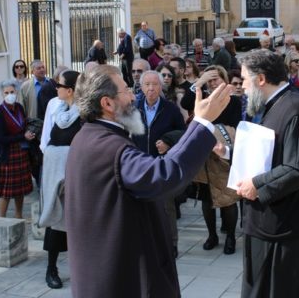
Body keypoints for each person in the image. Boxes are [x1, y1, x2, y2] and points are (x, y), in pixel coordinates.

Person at [64, 65, 232, 298]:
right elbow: (164, 176)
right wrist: (202, 123)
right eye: (126, 90)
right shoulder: (108, 146)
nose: (134, 97)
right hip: (121, 277)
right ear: (107, 103)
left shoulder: (90, 136)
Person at [235, 49, 299, 298]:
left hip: (285, 228)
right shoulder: (275, 105)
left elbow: (298, 168)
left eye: (245, 80)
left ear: (261, 79)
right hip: (266, 223)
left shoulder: (295, 108)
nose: (243, 87)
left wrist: (257, 184)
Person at [132, 70, 186, 257]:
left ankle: (171, 243)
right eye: (147, 84)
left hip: (162, 164)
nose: (151, 88)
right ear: (141, 87)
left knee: (165, 206)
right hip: (139, 164)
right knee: (140, 205)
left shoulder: (170, 109)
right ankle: (144, 243)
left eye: (155, 84)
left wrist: (168, 142)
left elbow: (183, 133)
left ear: (161, 86)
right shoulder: (133, 108)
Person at [191, 66, 241, 255]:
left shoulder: (233, 100)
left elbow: (234, 124)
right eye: (209, 80)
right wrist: (199, 83)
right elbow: (188, 103)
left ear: (224, 80)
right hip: (205, 154)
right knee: (207, 198)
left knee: (228, 198)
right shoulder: (202, 99)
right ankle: (212, 235)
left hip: (223, 152)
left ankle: (230, 236)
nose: (212, 83)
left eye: (215, 79)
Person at [39, 70, 81, 289]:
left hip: (76, 181)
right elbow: (49, 138)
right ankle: (51, 269)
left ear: (70, 90)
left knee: (78, 226)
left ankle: (81, 270)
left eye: (60, 85)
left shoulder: (85, 115)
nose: (56, 88)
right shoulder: (59, 110)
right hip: (57, 181)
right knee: (55, 224)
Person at [0, 80, 34, 218]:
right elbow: (1, 138)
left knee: (20, 190)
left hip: (22, 150)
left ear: (16, 92)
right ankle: (1, 218)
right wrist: (23, 136)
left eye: (12, 92)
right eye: (6, 93)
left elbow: (23, 124)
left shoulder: (20, 108)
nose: (10, 95)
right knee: (7, 191)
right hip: (8, 153)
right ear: (2, 94)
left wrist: (28, 132)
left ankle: (19, 216)